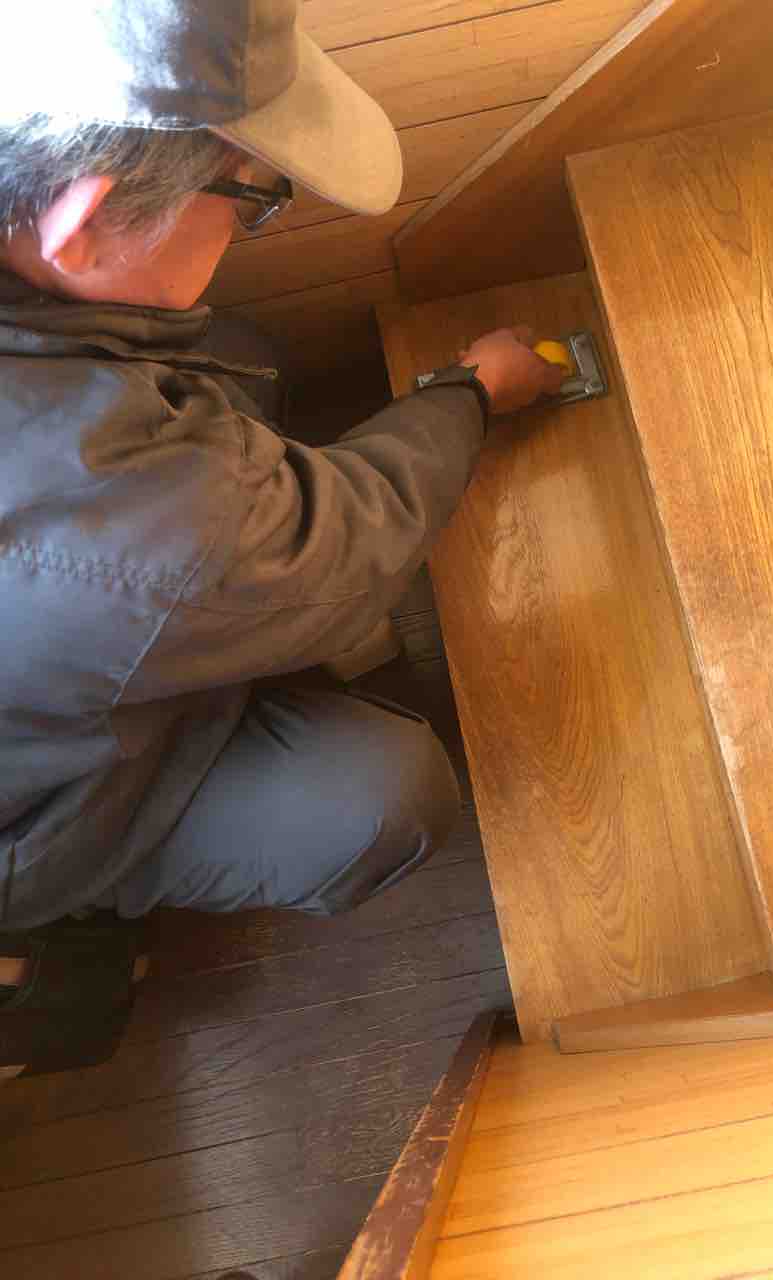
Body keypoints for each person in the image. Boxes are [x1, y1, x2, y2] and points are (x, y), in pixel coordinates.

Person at [0, 0, 564, 1073]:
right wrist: (472, 390)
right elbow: (351, 538)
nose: (255, 218)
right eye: (251, 195)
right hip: (31, 814)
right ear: (86, 217)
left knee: (242, 350)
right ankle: (77, 900)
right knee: (383, 800)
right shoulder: (128, 509)